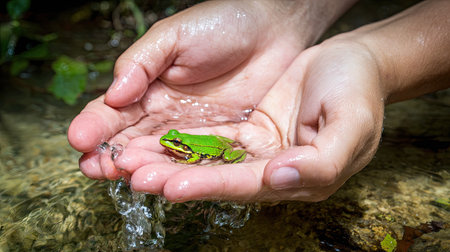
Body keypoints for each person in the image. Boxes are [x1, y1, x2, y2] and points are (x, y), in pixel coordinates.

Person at [68, 0, 450, 202]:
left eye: (175, 141)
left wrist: (374, 60)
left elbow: (202, 153)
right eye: (174, 141)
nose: (172, 143)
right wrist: (284, 12)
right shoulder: (179, 143)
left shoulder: (190, 148)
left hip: (223, 148)